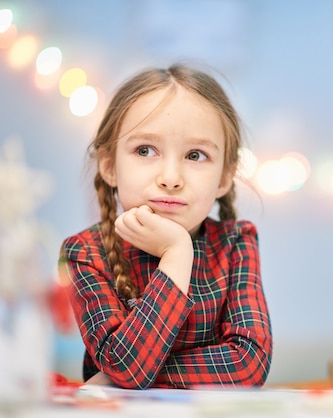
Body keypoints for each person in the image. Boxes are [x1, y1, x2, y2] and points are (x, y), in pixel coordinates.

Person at [59, 64, 273, 389]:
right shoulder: (85, 253)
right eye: (145, 150)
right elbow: (125, 366)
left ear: (225, 178)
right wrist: (176, 254)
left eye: (196, 155)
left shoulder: (236, 244)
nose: (171, 178)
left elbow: (248, 365)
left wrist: (127, 378)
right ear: (109, 166)